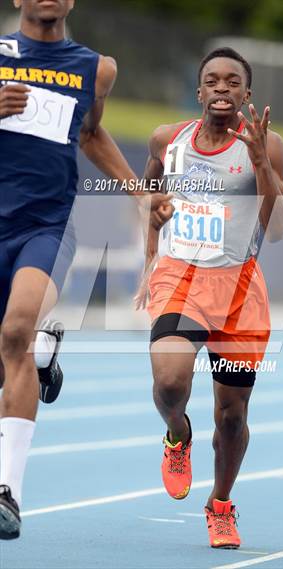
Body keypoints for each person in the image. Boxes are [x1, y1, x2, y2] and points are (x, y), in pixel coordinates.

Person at [0, 0, 173, 540]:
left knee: (14, 333)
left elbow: (91, 134)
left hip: (44, 224)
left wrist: (141, 192)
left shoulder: (97, 68)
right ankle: (46, 346)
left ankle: (7, 493)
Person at [135, 47, 283, 549]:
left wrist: (264, 163)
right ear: (199, 91)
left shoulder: (266, 146)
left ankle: (221, 503)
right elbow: (151, 189)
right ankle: (177, 434)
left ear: (247, 94)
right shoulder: (168, 139)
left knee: (231, 415)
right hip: (179, 277)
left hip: (239, 287)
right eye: (212, 81)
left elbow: (282, 228)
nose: (222, 88)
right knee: (170, 385)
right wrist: (150, 253)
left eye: (232, 82)